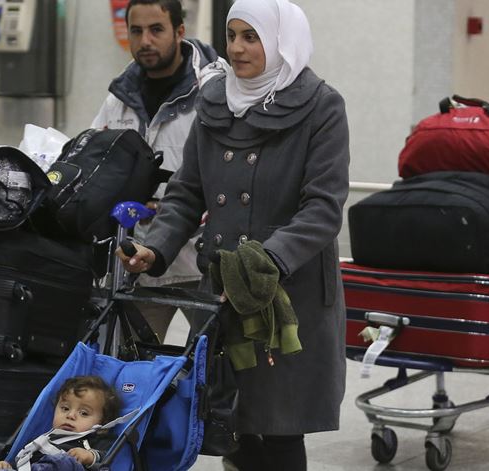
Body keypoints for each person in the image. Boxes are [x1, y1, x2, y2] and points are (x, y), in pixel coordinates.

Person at [116, 0, 350, 469]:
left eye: (252, 37)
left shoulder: (321, 106)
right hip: (224, 292)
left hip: (289, 297)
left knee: (279, 427)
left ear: (283, 41)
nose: (238, 48)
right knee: (231, 425)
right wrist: (155, 248)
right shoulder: (216, 99)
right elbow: (186, 192)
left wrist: (268, 258)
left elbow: (323, 208)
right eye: (233, 35)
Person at [92, 0, 223, 342]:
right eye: (136, 31)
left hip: (202, 267)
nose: (145, 41)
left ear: (180, 32)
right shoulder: (118, 99)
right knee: (128, 376)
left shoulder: (215, 93)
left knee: (214, 379)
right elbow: (96, 170)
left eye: (156, 30)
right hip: (138, 266)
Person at [0, 376, 123, 470]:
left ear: (102, 425)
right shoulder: (42, 439)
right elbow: (26, 462)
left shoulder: (98, 439)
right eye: (65, 408)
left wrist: (90, 456)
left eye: (84, 413)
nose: (70, 415)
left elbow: (110, 456)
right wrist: (8, 466)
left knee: (65, 461)